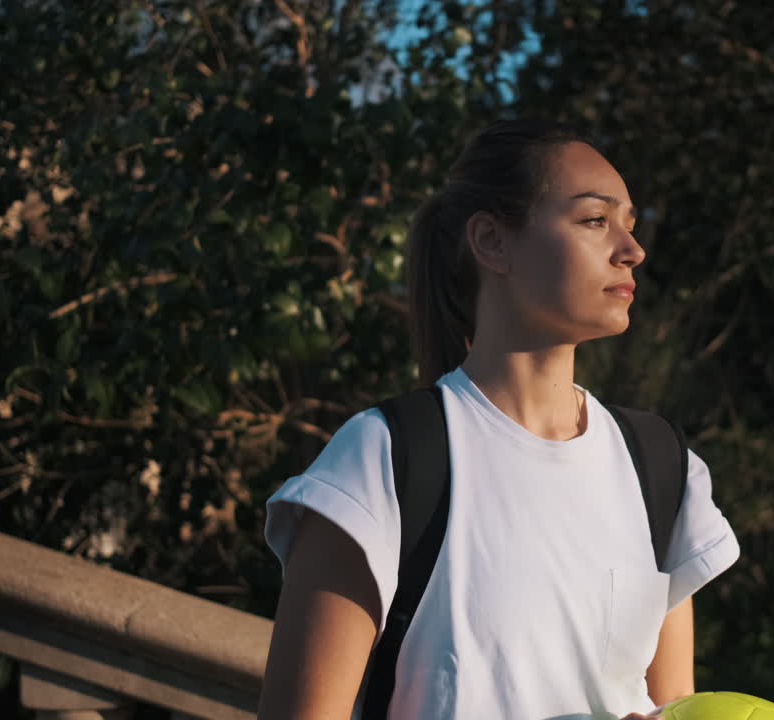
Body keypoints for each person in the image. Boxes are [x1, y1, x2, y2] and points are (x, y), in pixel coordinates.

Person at [257, 120, 740, 720]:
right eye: (595, 220)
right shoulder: (386, 458)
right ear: (491, 241)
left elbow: (677, 706)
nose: (632, 250)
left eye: (631, 226)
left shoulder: (660, 465)